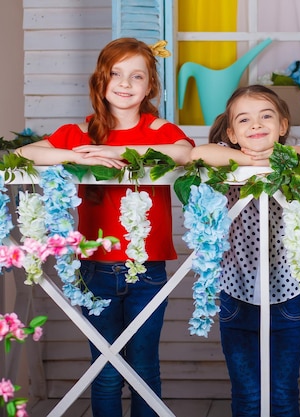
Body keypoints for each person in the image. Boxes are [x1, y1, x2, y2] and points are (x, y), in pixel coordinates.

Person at [16, 37, 194, 417]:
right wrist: (77, 154)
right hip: (94, 268)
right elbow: (24, 153)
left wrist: (116, 153)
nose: (126, 83)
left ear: (150, 87)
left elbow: (185, 152)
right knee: (106, 368)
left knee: (144, 368)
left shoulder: (158, 128)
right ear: (101, 79)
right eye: (116, 74)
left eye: (137, 76)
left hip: (149, 266)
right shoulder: (79, 133)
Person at [190, 84, 300, 417]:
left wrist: (284, 157)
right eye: (245, 120)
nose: (256, 125)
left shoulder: (292, 158)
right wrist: (247, 161)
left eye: (266, 116)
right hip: (236, 292)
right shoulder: (227, 159)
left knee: (282, 394)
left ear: (283, 126)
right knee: (248, 396)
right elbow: (198, 155)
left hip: (287, 294)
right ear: (232, 133)